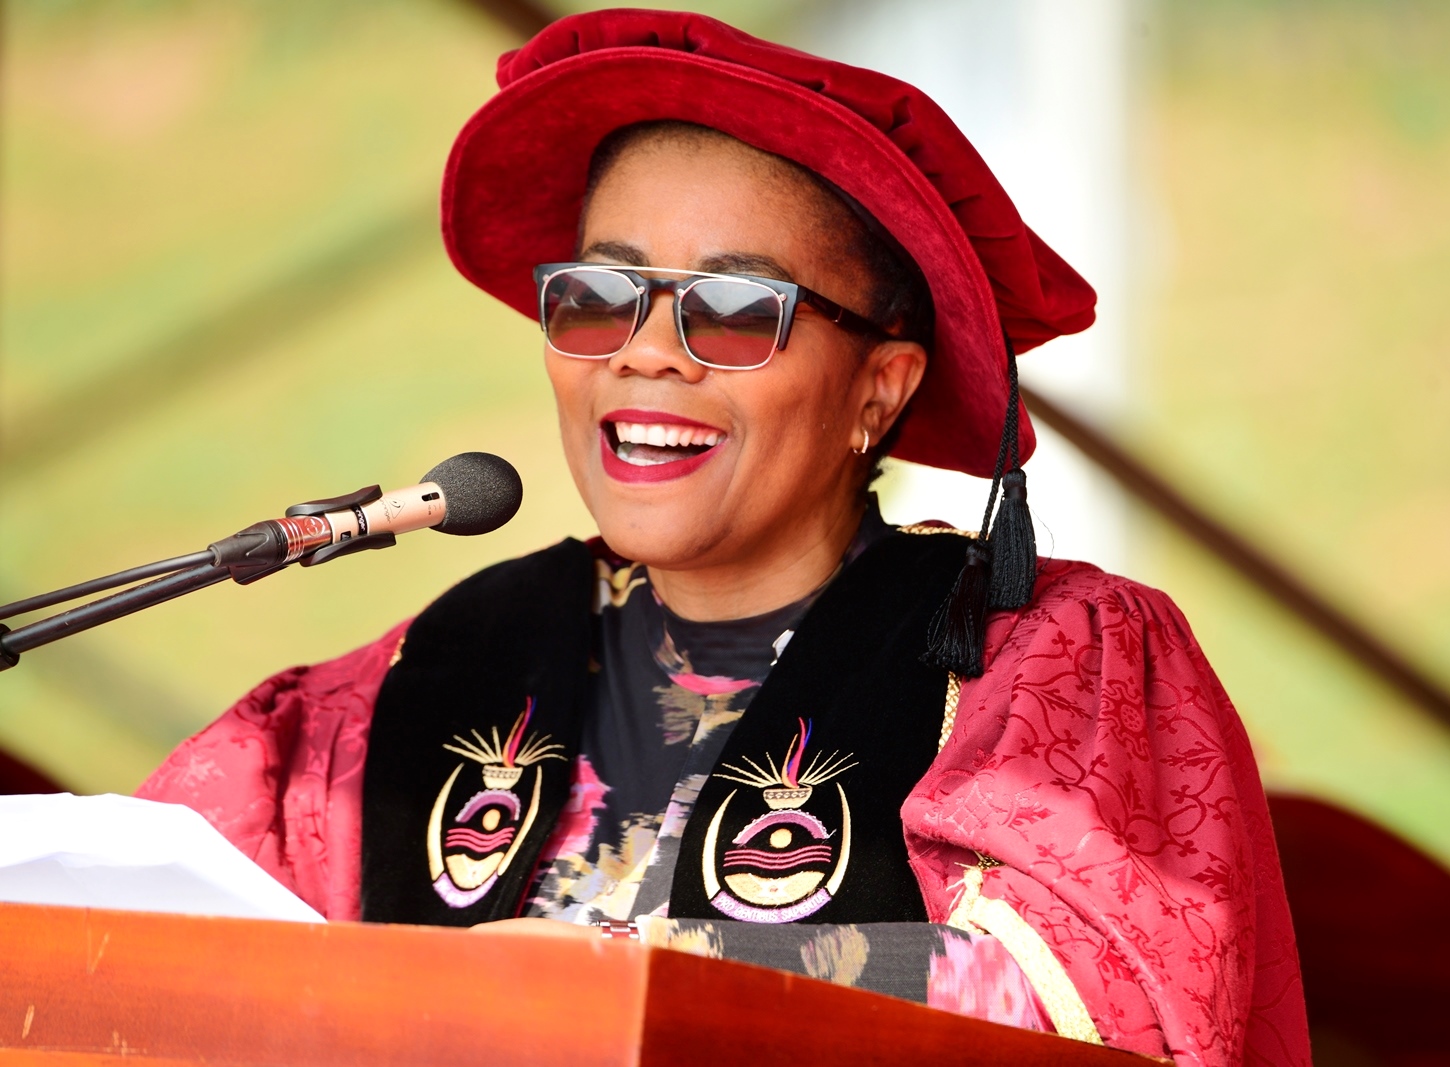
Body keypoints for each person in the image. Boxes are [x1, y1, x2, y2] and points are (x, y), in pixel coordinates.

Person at [137, 11, 1310, 1066]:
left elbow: (1090, 1009)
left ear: (879, 390)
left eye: (737, 310)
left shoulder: (1040, 668)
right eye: (600, 293)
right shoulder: (423, 679)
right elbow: (130, 939)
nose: (644, 350)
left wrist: (637, 972)